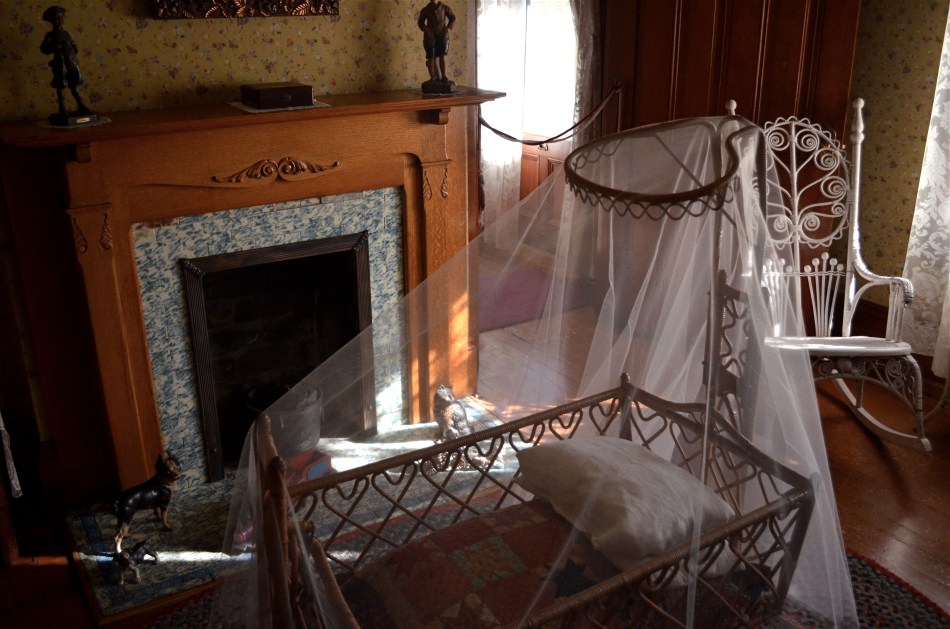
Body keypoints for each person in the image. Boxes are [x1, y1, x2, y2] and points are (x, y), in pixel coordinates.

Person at [41, 5, 91, 122]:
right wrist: (54, 47)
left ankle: (81, 105)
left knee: (74, 85)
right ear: (51, 21)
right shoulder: (50, 36)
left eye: (60, 18)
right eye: (56, 19)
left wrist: (73, 48)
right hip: (59, 64)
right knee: (60, 86)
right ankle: (62, 108)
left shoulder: (67, 34)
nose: (58, 21)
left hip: (71, 63)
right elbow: (44, 49)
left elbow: (74, 46)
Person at [417, 0, 456, 93]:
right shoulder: (426, 10)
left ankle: (444, 76)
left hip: (442, 34)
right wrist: (426, 30)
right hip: (430, 35)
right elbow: (420, 22)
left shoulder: (445, 8)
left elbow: (453, 18)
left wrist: (447, 28)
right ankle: (433, 78)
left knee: (442, 55)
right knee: (431, 56)